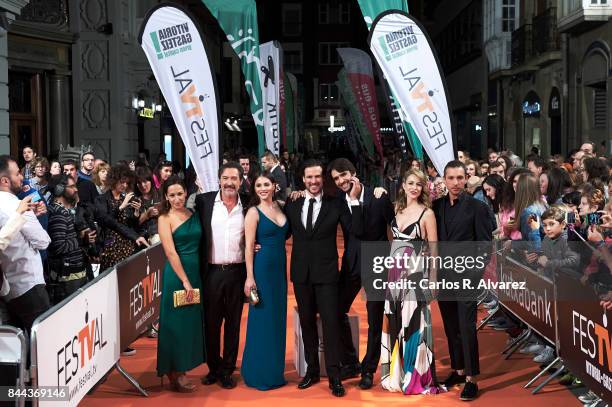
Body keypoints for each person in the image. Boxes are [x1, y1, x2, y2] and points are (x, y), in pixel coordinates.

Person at [285, 159, 363, 397]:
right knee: (307, 322)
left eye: (318, 177)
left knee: (331, 323)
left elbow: (356, 229)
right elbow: (281, 230)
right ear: (303, 179)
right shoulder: (293, 202)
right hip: (301, 273)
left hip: (328, 275)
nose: (314, 181)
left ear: (323, 179)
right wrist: (258, 244)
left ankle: (335, 375)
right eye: (309, 177)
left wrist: (357, 199)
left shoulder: (336, 204)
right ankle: (311, 370)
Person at [327, 158, 394, 390]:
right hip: (352, 264)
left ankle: (368, 370)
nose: (341, 181)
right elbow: (356, 229)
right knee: (335, 311)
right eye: (336, 179)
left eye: (343, 175)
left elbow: (395, 224)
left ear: (353, 172)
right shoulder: (338, 203)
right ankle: (351, 361)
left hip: (377, 262)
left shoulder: (379, 196)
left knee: (374, 320)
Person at [433, 160, 493, 401]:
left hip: (467, 277)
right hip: (443, 277)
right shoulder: (436, 206)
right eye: (451, 178)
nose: (456, 183)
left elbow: (485, 245)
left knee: (467, 326)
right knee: (450, 325)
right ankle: (458, 370)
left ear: (466, 179)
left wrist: (474, 273)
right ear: (444, 180)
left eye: (460, 178)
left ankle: (471, 378)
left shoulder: (477, 207)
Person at [381, 168, 444, 394]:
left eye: (419, 184)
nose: (414, 187)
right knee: (395, 321)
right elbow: (393, 242)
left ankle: (415, 375)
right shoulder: (397, 210)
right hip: (394, 275)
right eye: (411, 183)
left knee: (415, 323)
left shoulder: (427, 214)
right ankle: (397, 372)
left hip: (416, 275)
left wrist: (434, 279)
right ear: (403, 186)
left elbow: (435, 249)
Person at [195, 162, 248, 389]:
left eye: (234, 178)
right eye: (225, 178)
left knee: (233, 324)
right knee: (211, 323)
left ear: (241, 181)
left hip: (237, 273)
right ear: (219, 180)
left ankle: (227, 370)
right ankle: (213, 368)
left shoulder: (249, 204)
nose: (229, 183)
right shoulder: (204, 202)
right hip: (212, 273)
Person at [156, 176, 204, 393]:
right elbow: (170, 252)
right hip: (177, 276)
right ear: (166, 196)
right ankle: (175, 372)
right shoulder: (165, 218)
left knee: (188, 324)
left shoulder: (192, 214)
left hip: (195, 273)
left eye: (180, 194)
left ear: (186, 193)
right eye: (172, 195)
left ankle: (180, 368)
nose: (177, 199)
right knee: (175, 324)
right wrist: (184, 280)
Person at [241, 172, 289, 390]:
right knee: (261, 318)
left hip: (280, 271)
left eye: (266, 184)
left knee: (277, 319)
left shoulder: (280, 206)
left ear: (274, 186)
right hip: (261, 271)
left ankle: (274, 369)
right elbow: (249, 246)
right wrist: (250, 277)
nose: (262, 188)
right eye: (258, 185)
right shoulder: (253, 212)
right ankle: (258, 372)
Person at [0, 155, 50, 336]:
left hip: (10, 288)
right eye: (18, 173)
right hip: (29, 284)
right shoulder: (17, 205)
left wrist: (31, 217)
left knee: (20, 346)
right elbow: (43, 241)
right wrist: (27, 215)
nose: (22, 177)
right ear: (5, 180)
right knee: (44, 343)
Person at [46, 175, 90, 303]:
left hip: (74, 275)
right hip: (68, 278)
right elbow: (59, 247)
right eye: (71, 187)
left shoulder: (63, 211)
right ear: (59, 189)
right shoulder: (59, 214)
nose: (76, 189)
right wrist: (80, 238)